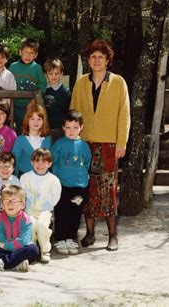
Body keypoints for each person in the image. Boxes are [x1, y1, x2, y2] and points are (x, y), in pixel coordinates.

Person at [70, 39, 130, 251]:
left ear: (107, 60)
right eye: (93, 57)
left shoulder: (118, 82)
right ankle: (90, 234)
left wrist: (121, 142)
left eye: (101, 57)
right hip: (85, 144)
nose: (96, 60)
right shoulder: (80, 83)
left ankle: (113, 236)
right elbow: (74, 114)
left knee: (108, 189)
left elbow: (124, 115)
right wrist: (73, 140)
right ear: (88, 60)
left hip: (109, 145)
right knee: (88, 189)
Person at [51, 110, 92, 255]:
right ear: (63, 128)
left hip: (79, 186)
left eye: (75, 127)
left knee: (75, 213)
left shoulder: (84, 146)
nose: (71, 131)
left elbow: (86, 163)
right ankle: (60, 238)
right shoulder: (59, 144)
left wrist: (81, 178)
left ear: (81, 127)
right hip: (62, 185)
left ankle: (71, 238)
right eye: (68, 127)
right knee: (62, 212)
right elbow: (52, 161)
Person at [0, 185, 39, 272]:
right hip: (7, 248)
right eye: (6, 202)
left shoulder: (26, 220)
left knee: (33, 249)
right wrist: (5, 246)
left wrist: (5, 245)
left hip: (19, 247)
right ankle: (17, 263)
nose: (10, 204)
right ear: (1, 205)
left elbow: (23, 241)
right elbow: (0, 239)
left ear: (22, 205)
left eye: (14, 201)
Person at [20, 148, 61, 263]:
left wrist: (48, 207)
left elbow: (55, 197)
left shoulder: (54, 180)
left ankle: (45, 250)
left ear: (50, 164)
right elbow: (21, 195)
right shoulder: (25, 177)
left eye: (44, 162)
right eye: (37, 161)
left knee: (42, 225)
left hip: (45, 210)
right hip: (29, 209)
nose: (40, 165)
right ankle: (32, 249)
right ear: (32, 162)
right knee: (31, 225)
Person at [9, 38, 47, 133]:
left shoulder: (37, 68)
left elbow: (42, 86)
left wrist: (34, 101)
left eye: (31, 53)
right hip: (14, 105)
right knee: (14, 129)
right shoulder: (13, 67)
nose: (28, 56)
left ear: (36, 55)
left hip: (30, 106)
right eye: (26, 52)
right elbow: (7, 83)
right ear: (20, 52)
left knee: (28, 129)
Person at [12, 101, 51, 177]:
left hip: (42, 178)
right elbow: (15, 160)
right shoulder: (20, 140)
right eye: (32, 119)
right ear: (27, 120)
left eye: (39, 119)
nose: (36, 122)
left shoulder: (47, 140)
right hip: (24, 177)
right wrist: (15, 179)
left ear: (43, 121)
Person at [43, 57, 71, 141]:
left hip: (61, 131)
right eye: (50, 73)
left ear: (61, 74)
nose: (53, 76)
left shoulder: (66, 92)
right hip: (46, 130)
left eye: (57, 73)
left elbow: (68, 113)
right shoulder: (43, 92)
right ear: (46, 74)